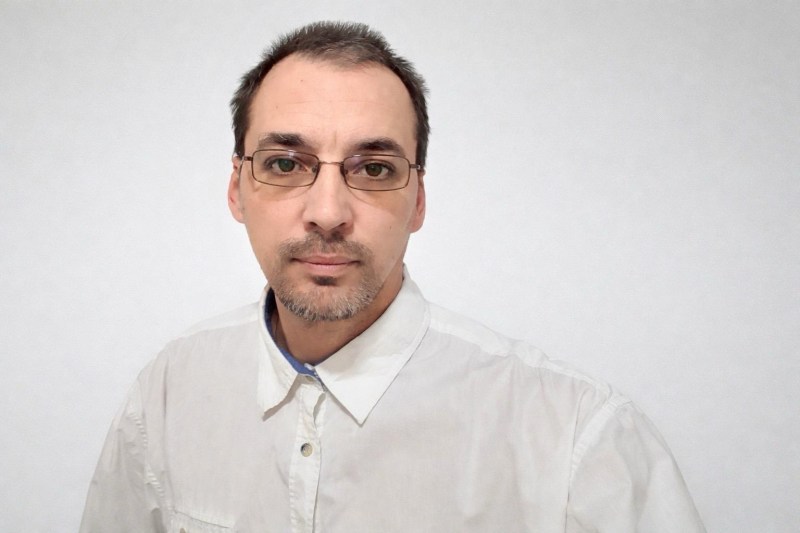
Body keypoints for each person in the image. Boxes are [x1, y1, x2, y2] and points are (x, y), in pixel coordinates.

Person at [80, 21, 706, 532]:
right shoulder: (169, 392)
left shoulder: (577, 439)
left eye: (374, 169)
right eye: (285, 163)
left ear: (419, 201)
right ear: (236, 189)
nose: (328, 212)